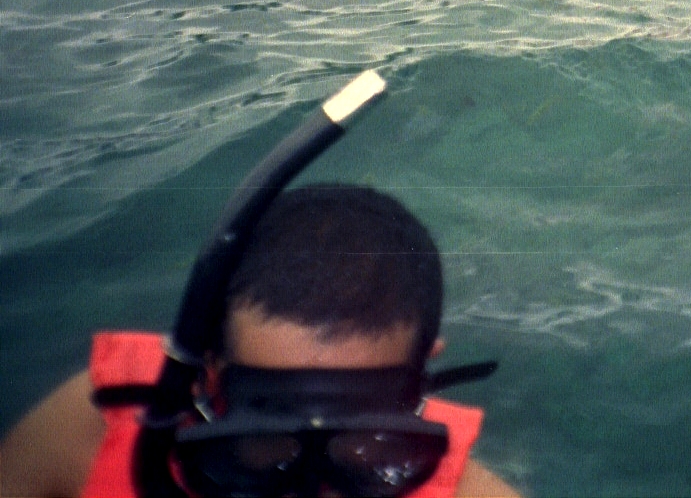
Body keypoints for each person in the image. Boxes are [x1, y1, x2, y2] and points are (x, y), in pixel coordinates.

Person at [0, 184, 518, 497]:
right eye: (266, 428)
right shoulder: (91, 429)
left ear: (422, 375)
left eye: (358, 434)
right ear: (206, 366)